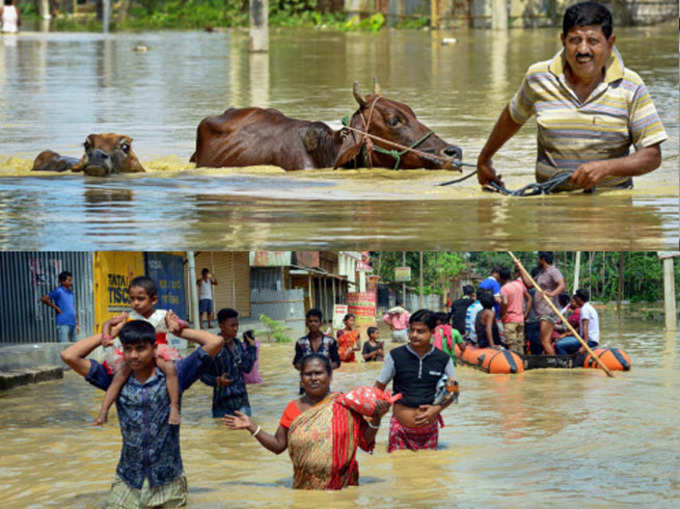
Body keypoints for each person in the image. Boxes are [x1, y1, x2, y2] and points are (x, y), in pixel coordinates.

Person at [476, 1, 668, 192]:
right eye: (575, 40)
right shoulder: (539, 77)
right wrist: (484, 159)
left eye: (593, 41)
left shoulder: (631, 85)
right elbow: (513, 117)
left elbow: (652, 156)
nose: (583, 50)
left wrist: (606, 168)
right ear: (563, 41)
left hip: (611, 206)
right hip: (550, 203)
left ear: (610, 43)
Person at [60, 313, 224, 508]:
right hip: (128, 481)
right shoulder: (114, 378)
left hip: (168, 482)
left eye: (140, 349)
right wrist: (108, 334)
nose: (134, 355)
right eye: (128, 349)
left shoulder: (175, 375)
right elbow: (69, 356)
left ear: (154, 348)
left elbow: (215, 341)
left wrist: (180, 331)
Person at [224, 354, 389, 490]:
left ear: (330, 376)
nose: (314, 378)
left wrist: (377, 418)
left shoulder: (346, 405)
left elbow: (365, 441)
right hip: (305, 490)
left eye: (319, 373)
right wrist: (251, 427)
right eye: (308, 374)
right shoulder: (293, 409)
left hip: (343, 490)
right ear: (302, 379)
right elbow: (278, 446)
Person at [95, 276, 182, 426]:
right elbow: (109, 325)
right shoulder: (128, 316)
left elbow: (182, 324)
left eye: (140, 299)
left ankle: (174, 407)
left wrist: (176, 323)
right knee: (119, 377)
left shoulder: (163, 315)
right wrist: (106, 335)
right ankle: (103, 412)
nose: (135, 303)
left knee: (170, 368)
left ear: (153, 300)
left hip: (158, 349)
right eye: (132, 299)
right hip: (135, 352)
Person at [375, 309, 457, 452]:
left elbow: (453, 391)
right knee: (398, 469)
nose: (414, 335)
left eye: (420, 331)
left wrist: (436, 410)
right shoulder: (395, 356)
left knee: (428, 471)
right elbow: (378, 387)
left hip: (429, 430)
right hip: (399, 429)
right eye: (411, 330)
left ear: (432, 332)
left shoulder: (443, 359)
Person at [200, 308, 257, 417]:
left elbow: (247, 368)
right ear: (221, 326)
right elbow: (202, 374)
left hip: (242, 402)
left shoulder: (237, 344)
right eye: (232, 326)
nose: (236, 329)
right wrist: (217, 381)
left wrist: (252, 348)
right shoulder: (212, 346)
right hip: (222, 404)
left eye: (237, 325)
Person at [519, 252, 565, 355]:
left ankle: (555, 363)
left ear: (543, 259)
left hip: (548, 311)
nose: (537, 261)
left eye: (538, 259)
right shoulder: (542, 273)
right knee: (544, 341)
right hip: (542, 312)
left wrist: (551, 294)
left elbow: (562, 286)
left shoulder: (553, 271)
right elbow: (529, 284)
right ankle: (550, 361)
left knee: (544, 342)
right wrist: (520, 268)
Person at [555, 289, 600, 355]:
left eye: (576, 298)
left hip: (590, 341)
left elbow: (585, 327)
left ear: (579, 298)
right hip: (590, 340)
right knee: (561, 341)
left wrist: (584, 346)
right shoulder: (588, 307)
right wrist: (566, 334)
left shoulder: (585, 309)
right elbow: (580, 328)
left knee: (559, 345)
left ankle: (566, 363)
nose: (575, 300)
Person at [41, 270, 79, 343]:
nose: (71, 282)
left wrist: (77, 323)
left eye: (71, 280)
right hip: (63, 322)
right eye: (69, 280)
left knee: (75, 346)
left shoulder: (71, 293)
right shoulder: (58, 291)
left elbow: (72, 307)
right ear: (62, 281)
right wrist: (55, 307)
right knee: (63, 345)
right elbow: (43, 299)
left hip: (72, 322)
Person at [500, 268, 532, 355]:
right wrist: (526, 314)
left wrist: (503, 314)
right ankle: (521, 361)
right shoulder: (519, 285)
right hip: (520, 318)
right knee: (520, 344)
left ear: (501, 278)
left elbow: (505, 302)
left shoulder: (504, 288)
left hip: (510, 319)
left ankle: (515, 364)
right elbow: (529, 298)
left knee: (512, 345)